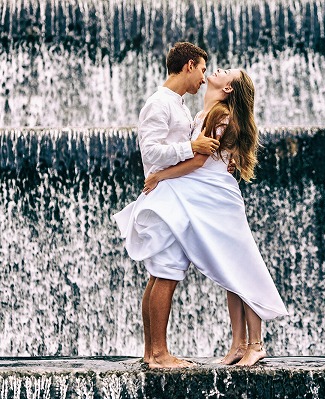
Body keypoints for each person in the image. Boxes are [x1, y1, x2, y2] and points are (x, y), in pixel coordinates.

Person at [116, 67, 288, 367]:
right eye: (208, 68)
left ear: (230, 89)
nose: (216, 70)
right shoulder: (201, 114)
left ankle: (255, 344)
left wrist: (159, 176)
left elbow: (197, 161)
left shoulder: (218, 115)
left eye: (225, 72)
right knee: (230, 272)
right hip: (205, 197)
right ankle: (237, 345)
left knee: (243, 268)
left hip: (217, 199)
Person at [114, 42, 220, 369]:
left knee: (160, 273)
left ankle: (152, 352)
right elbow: (151, 154)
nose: (204, 78)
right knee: (167, 272)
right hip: (165, 198)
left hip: (172, 195)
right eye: (202, 69)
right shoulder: (158, 104)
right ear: (189, 65)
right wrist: (193, 145)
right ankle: (159, 354)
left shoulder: (177, 105)